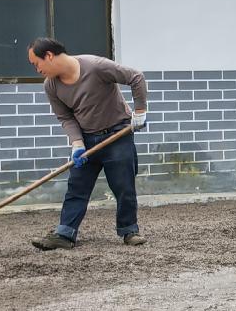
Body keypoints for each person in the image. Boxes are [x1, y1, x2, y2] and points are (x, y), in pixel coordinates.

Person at [25, 38, 149, 249]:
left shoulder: (95, 66)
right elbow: (65, 117)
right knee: (76, 187)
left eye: (36, 64)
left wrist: (140, 111)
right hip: (87, 141)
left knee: (123, 186)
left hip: (117, 134)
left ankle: (129, 231)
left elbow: (136, 77)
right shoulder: (51, 86)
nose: (37, 70)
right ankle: (64, 234)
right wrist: (77, 143)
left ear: (49, 56)